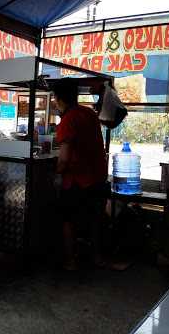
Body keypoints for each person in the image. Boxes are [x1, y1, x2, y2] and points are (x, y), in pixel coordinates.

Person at [53, 80, 108, 270]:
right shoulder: (89, 114)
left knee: (68, 220)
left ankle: (71, 261)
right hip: (98, 177)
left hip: (78, 180)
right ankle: (97, 257)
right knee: (94, 220)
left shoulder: (68, 120)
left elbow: (64, 158)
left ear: (58, 99)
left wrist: (57, 173)